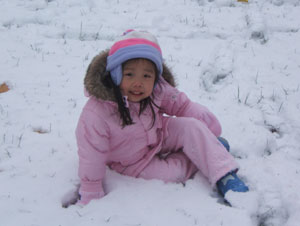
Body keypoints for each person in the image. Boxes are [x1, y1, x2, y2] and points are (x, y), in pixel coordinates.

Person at [75, 30, 248, 205]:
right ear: (116, 74)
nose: (138, 83)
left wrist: (206, 129)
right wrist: (91, 189)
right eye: (129, 74)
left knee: (191, 127)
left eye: (146, 76)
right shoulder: (98, 112)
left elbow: (182, 105)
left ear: (155, 77)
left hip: (158, 133)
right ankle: (207, 153)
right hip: (133, 163)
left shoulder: (157, 89)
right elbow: (91, 154)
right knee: (174, 173)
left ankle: (224, 174)